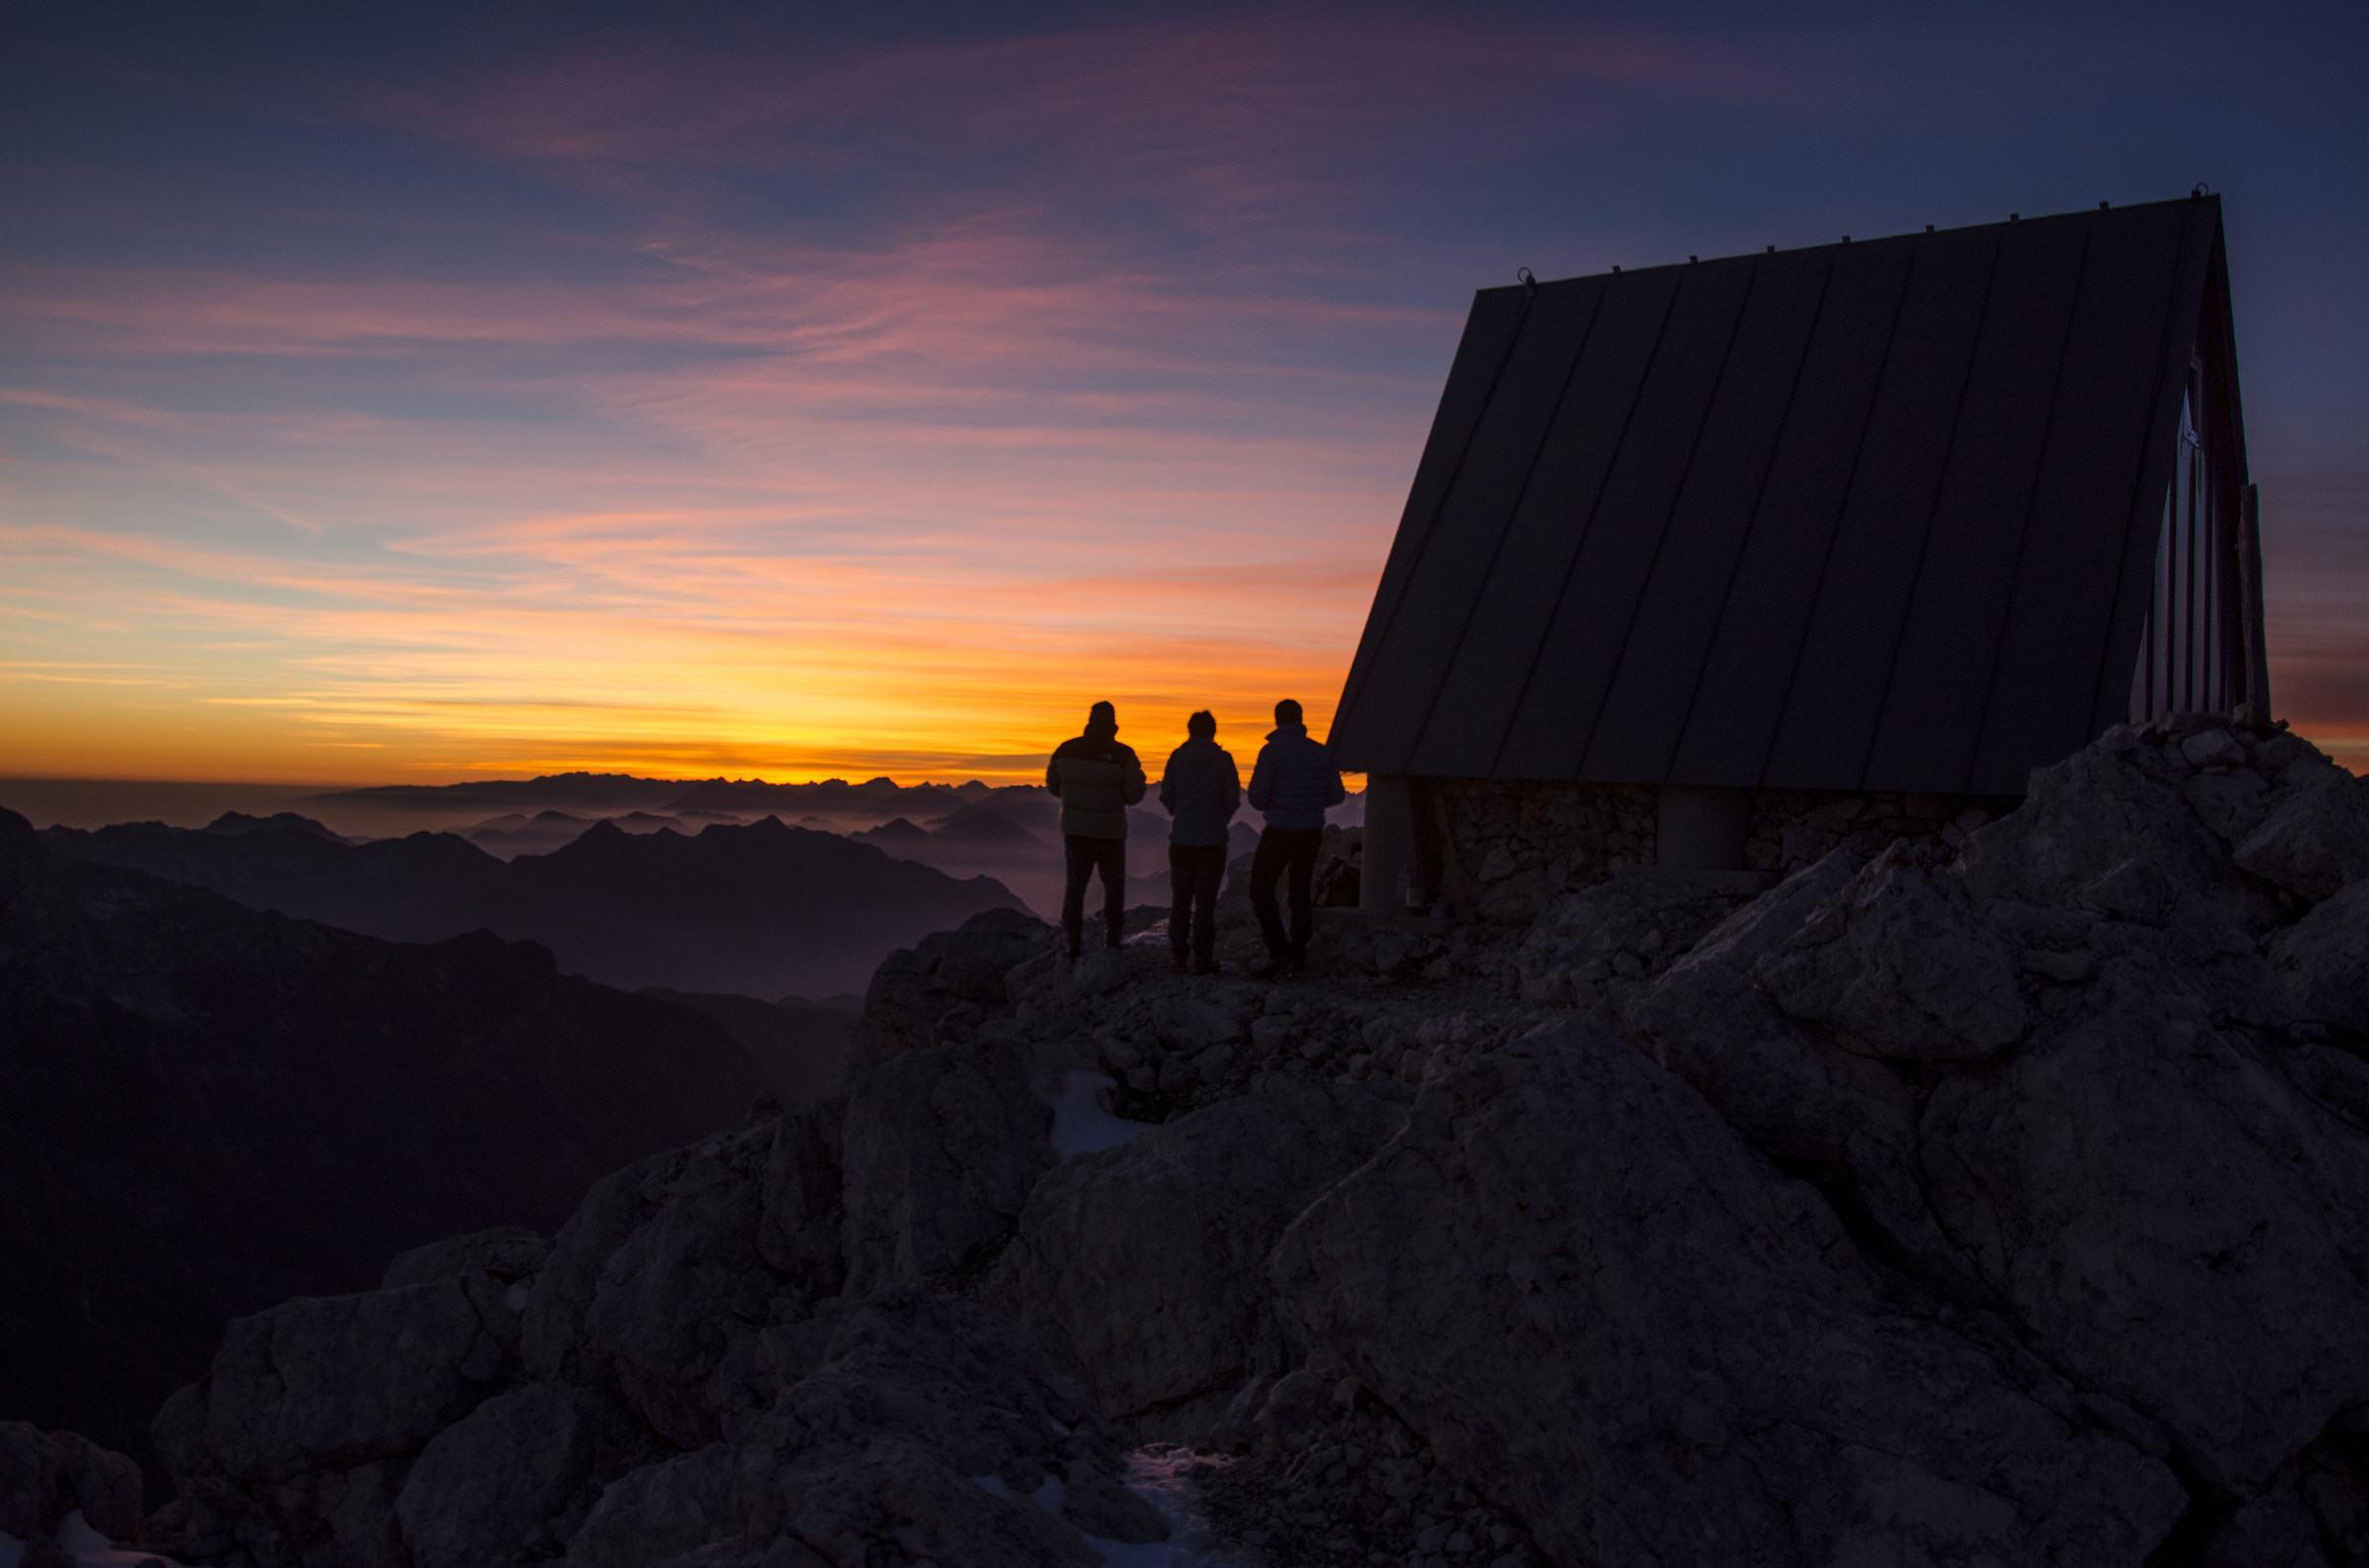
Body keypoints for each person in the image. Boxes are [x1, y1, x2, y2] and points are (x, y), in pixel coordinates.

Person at [1245, 698, 1344, 979]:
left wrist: (1282, 802)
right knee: (1299, 889)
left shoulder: (1271, 752)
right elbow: (1336, 795)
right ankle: (1298, 955)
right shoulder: (1322, 753)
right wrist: (1310, 802)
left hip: (1279, 829)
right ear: (1301, 720)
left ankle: (1279, 952)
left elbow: (1256, 798)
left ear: (1277, 720)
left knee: (1261, 888)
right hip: (1311, 831)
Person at [1045, 700, 1147, 957]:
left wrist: (1076, 800)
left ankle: (1073, 940)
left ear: (1089, 720)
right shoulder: (1124, 755)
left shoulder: (1065, 750)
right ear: (1113, 722)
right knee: (1113, 886)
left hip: (1075, 830)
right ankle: (1112, 939)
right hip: (1110, 832)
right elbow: (1134, 795)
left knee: (1075, 885)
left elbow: (1053, 786)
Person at [1157, 709, 1241, 975]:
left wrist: (1180, 815)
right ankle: (1203, 958)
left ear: (1189, 730)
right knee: (1206, 901)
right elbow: (1233, 799)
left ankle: (1178, 956)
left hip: (1181, 838)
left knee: (1181, 898)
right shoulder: (1224, 760)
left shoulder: (1177, 758)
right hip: (1213, 840)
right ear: (1213, 731)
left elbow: (1166, 794)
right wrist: (1219, 819)